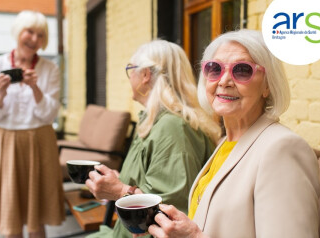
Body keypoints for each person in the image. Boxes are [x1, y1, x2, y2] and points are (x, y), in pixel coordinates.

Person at [148, 29, 320, 238]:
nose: (224, 81)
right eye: (214, 69)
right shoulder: (226, 142)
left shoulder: (282, 149)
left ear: (268, 85)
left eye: (242, 70)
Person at [86, 40, 221, 238]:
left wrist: (118, 190)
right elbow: (150, 184)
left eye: (130, 70)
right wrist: (117, 181)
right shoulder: (154, 121)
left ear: (145, 75)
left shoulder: (172, 128)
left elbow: (171, 212)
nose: (129, 77)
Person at [0, 10, 65, 238]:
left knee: (37, 218)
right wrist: (0, 93)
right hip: (5, 141)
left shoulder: (50, 69)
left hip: (40, 140)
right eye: (30, 32)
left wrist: (35, 88)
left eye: (40, 35)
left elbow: (49, 114)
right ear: (18, 32)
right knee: (10, 215)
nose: (34, 39)